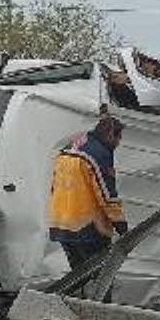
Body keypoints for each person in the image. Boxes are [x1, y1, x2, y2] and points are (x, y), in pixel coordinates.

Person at [48, 115, 129, 271]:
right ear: (110, 135)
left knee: (78, 275)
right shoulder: (99, 154)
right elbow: (107, 196)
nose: (119, 143)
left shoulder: (69, 148)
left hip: (61, 224)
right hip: (87, 229)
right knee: (98, 275)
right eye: (118, 138)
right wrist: (121, 226)